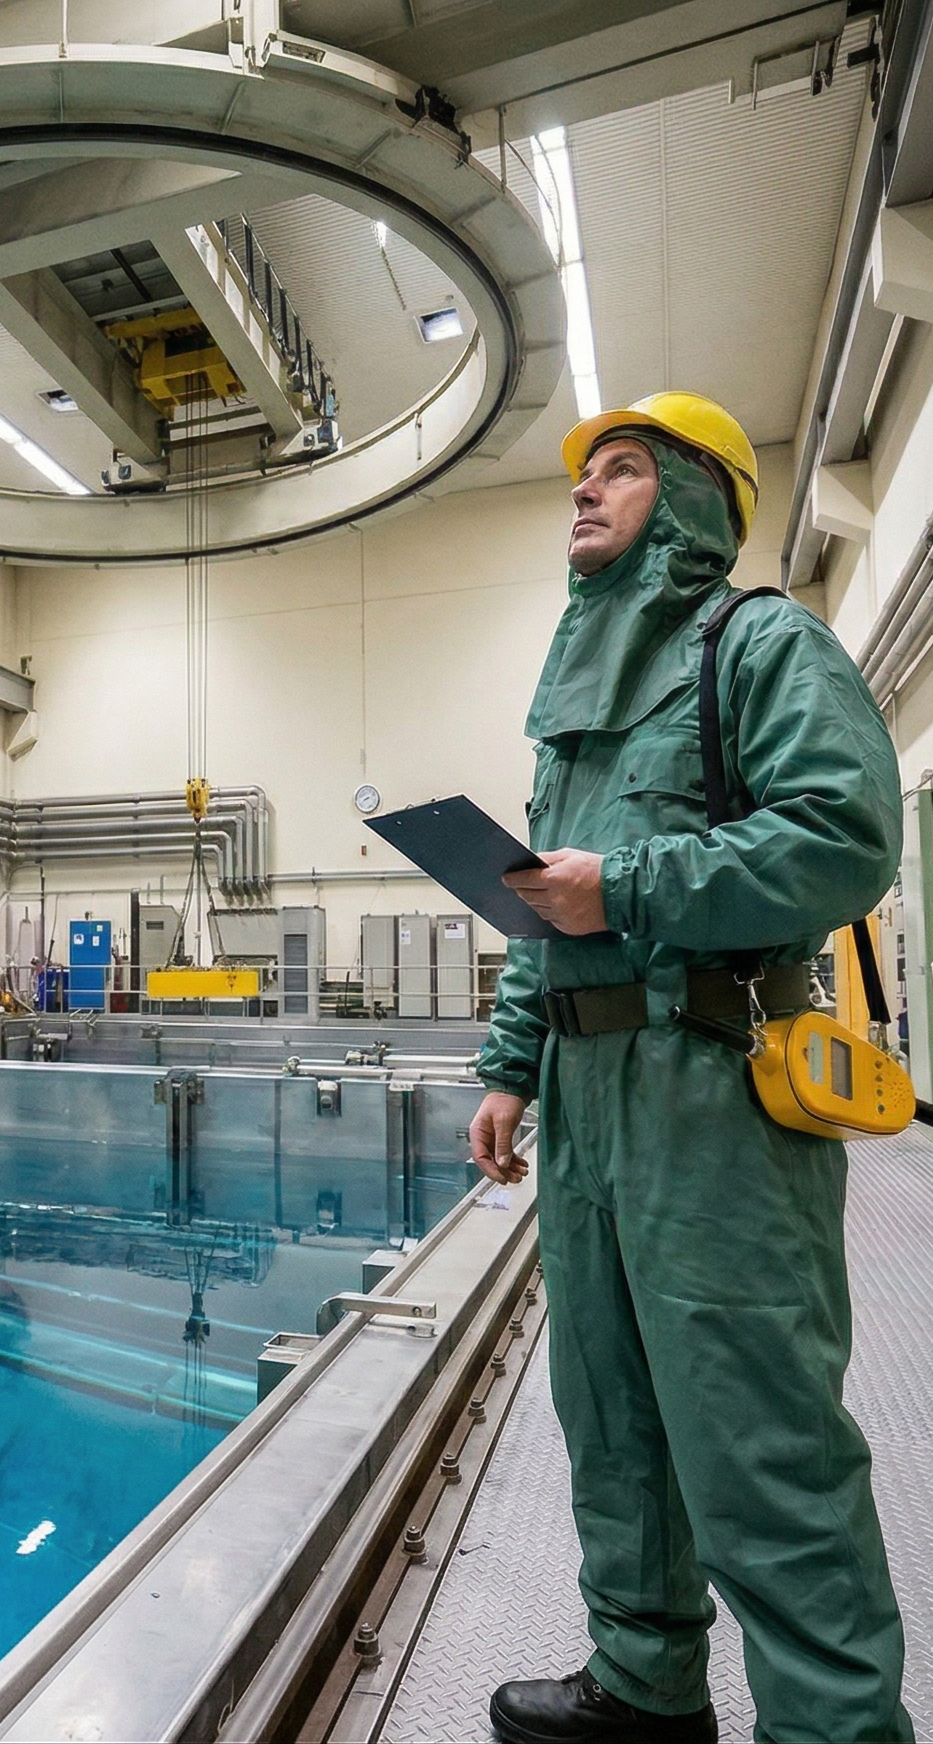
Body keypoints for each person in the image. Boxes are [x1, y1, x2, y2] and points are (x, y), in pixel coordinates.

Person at [471, 393, 913, 1744]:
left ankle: (833, 1728)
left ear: (700, 499)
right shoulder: (578, 717)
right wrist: (509, 1067)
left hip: (714, 1085)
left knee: (756, 1439)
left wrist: (636, 885)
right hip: (591, 1106)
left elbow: (845, 838)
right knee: (611, 1417)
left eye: (622, 471)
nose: (585, 494)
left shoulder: (762, 644)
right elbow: (547, 912)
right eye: (581, 478)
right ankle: (646, 1690)